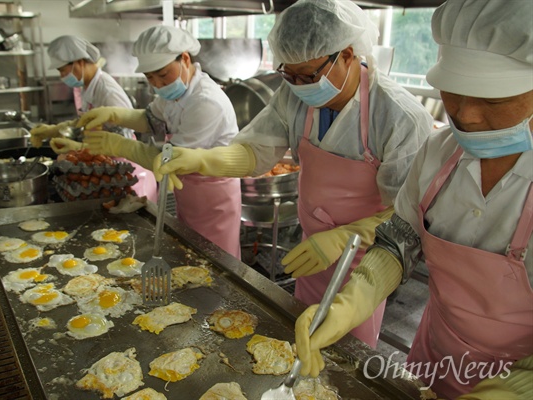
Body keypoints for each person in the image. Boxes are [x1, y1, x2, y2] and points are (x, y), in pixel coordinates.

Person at [153, 0, 432, 348]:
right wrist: (199, 159)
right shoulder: (296, 95)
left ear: (346, 54)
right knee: (299, 334)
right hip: (310, 247)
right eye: (290, 74)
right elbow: (255, 152)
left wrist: (345, 238)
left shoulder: (398, 116)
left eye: (309, 75)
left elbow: (404, 215)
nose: (299, 85)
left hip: (366, 257)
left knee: (346, 349)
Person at [294, 0, 533, 398]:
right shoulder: (440, 152)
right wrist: (350, 304)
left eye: (492, 100)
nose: (466, 114)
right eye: (454, 93)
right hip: (435, 353)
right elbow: (398, 241)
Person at [74, 25, 242, 259]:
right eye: (150, 77)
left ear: (184, 58)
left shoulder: (205, 102)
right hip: (188, 191)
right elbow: (149, 119)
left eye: (163, 74)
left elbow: (170, 158)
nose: (158, 84)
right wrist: (114, 114)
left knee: (217, 262)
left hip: (213, 198)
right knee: (191, 256)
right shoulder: (176, 94)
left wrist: (120, 145)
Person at [31, 35, 157, 202]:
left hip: (124, 173)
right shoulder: (87, 87)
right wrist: (55, 130)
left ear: (79, 62)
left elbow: (122, 139)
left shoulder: (108, 92)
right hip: (104, 172)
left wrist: (81, 147)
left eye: (62, 70)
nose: (62, 75)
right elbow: (87, 120)